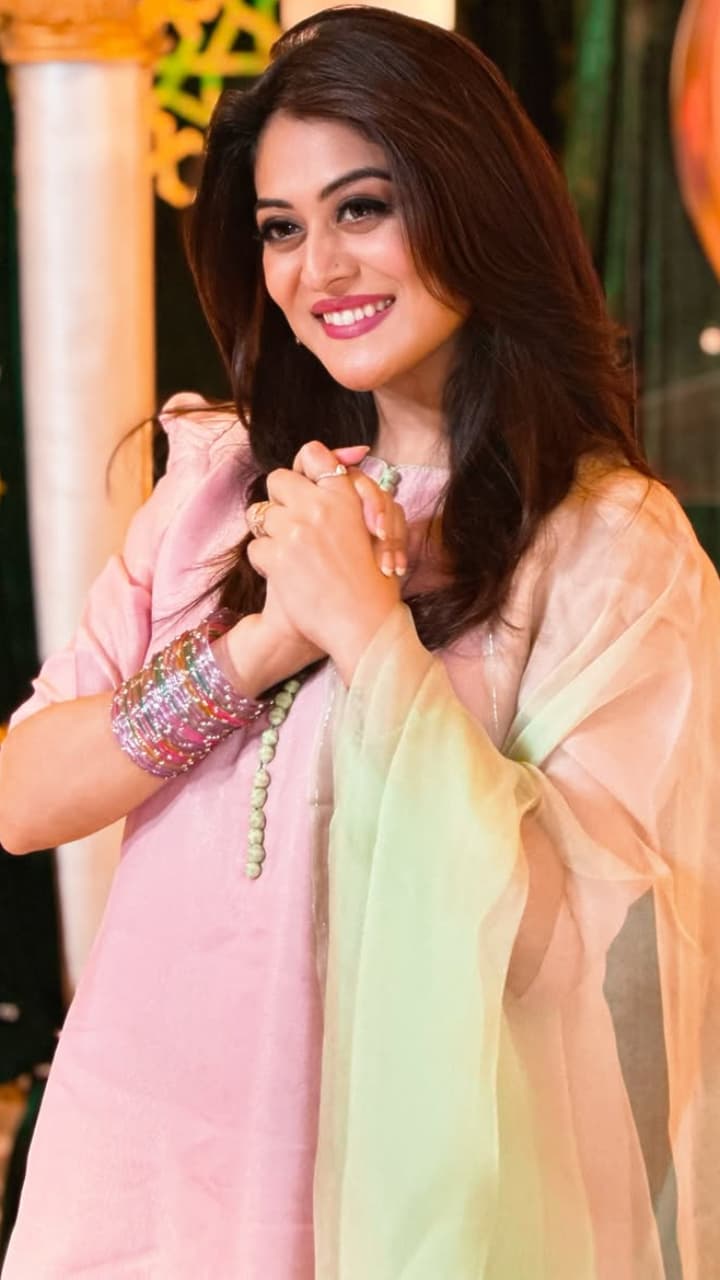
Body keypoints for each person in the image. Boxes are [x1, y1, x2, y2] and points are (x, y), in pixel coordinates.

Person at [1, 7, 718, 1277]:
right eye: (281, 227)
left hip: (387, 1212)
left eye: (364, 208)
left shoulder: (606, 547)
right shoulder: (219, 490)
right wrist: (261, 645)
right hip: (138, 1173)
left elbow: (566, 945)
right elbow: (23, 794)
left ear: (472, 199)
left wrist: (372, 637)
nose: (318, 268)